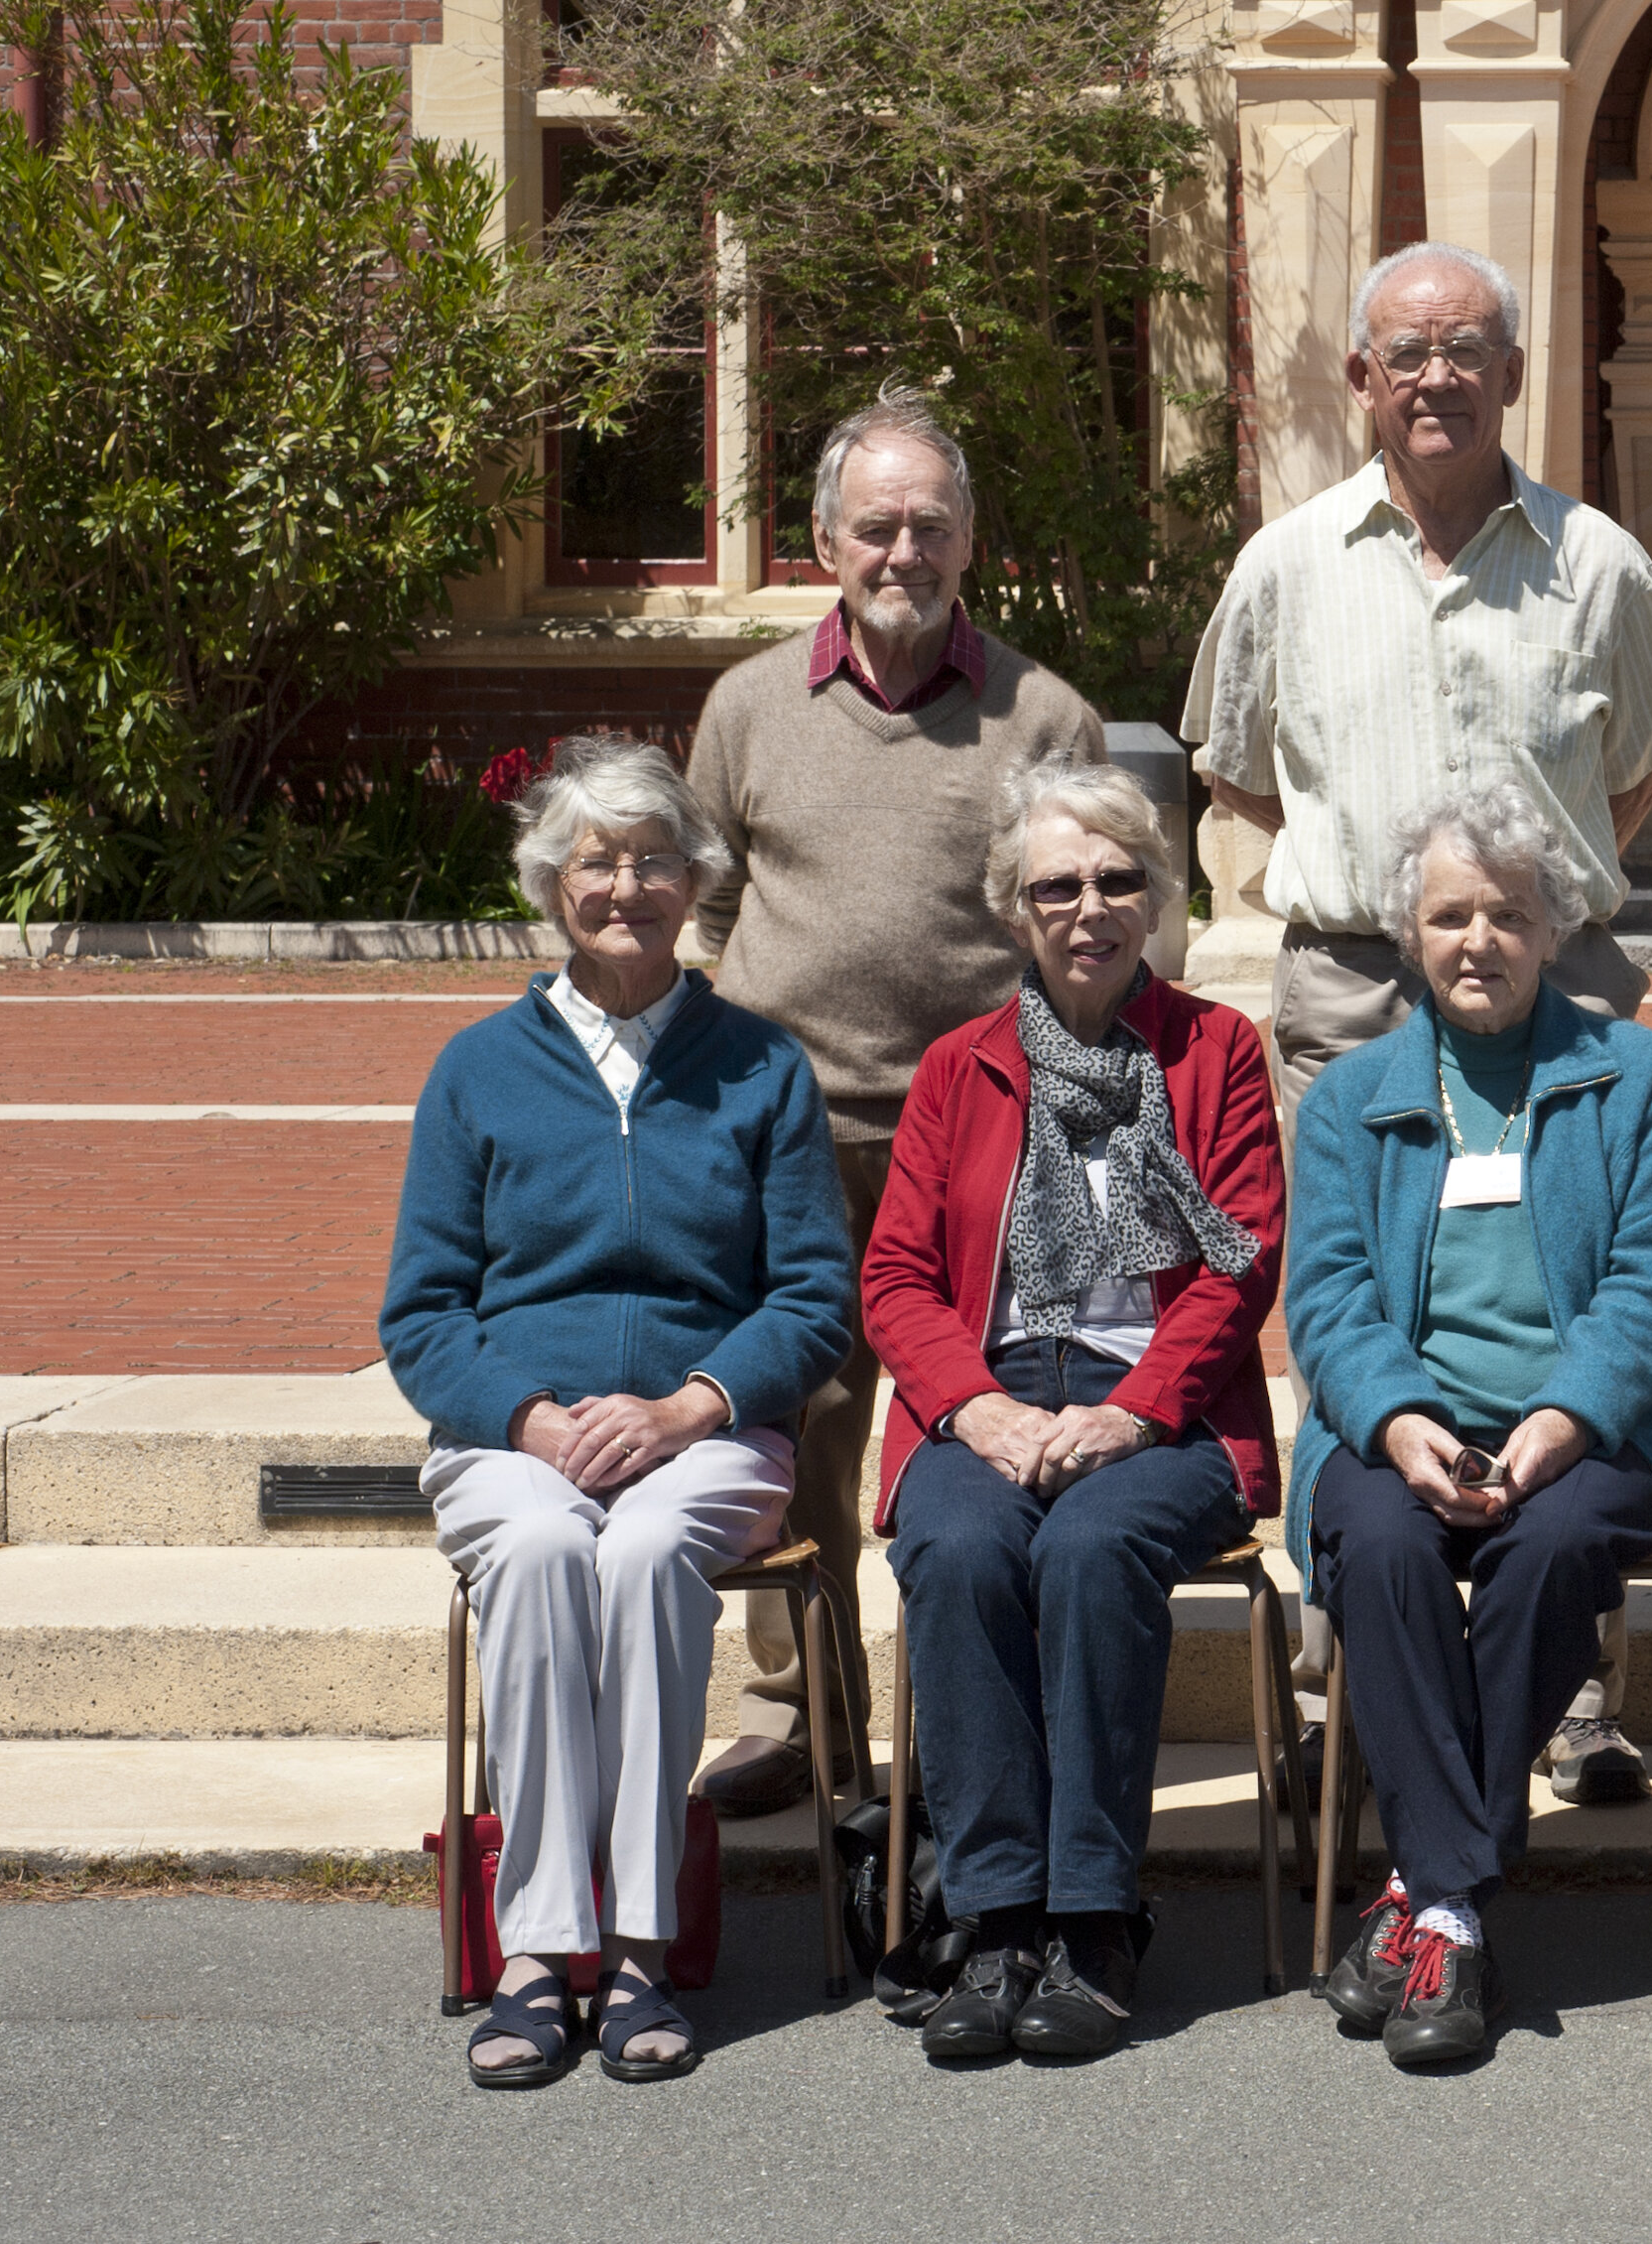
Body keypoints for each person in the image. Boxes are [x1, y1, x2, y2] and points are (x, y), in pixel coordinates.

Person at [1181, 239, 1652, 1806]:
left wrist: (1511, 901)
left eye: (1467, 349)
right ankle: (1355, 1685)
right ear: (1361, 378)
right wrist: (1398, 892)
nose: (1435, 377)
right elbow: (1236, 768)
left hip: (1555, 991)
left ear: (1514, 374)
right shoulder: (1286, 564)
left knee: (1571, 1298)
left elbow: (1638, 771)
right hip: (1354, 984)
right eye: (1405, 353)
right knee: (1359, 1306)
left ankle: (1573, 1697)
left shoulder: (1598, 564)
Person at [383, 738, 854, 2089]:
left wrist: (689, 1407)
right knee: (540, 1549)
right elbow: (421, 1315)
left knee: (644, 1554)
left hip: (708, 1433)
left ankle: (641, 1945)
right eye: (597, 862)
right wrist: (531, 1420)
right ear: (552, 885)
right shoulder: (478, 1069)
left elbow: (815, 1297)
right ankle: (538, 1952)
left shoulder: (760, 1067)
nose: (627, 888)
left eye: (655, 861)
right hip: (515, 1434)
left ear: (697, 883)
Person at [683, 385, 1108, 1817]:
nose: (903, 552)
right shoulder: (747, 709)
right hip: (790, 1137)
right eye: (876, 527)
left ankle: (973, 1738)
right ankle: (803, 1719)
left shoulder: (1043, 714)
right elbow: (708, 905)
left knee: (979, 1437)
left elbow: (1097, 923)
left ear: (971, 540)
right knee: (796, 1432)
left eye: (931, 525)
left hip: (984, 1140)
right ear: (825, 543)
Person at [1285, 782, 1652, 2068]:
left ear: (1553, 927)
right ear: (1408, 932)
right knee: (1382, 1545)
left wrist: (1563, 1417)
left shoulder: (1632, 1074)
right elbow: (1326, 1295)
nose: (1479, 940)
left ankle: (1425, 1900)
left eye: (1510, 914)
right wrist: (1398, 1422)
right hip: (1400, 1428)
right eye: (1449, 915)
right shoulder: (1349, 1097)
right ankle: (1455, 1906)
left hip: (1594, 1432)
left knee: (1551, 1547)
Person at [858, 755, 1285, 2063]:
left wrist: (1137, 1412)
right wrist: (973, 1408)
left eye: (1116, 879)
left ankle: (1095, 1919)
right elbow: (895, 1277)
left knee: (1095, 1549)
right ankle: (996, 1920)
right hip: (987, 1392)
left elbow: (1239, 1258)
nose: (1089, 908)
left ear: (1154, 896)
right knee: (961, 1546)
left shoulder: (1214, 1050)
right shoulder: (958, 1068)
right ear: (1015, 907)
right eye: (1058, 886)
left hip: (1166, 1406)